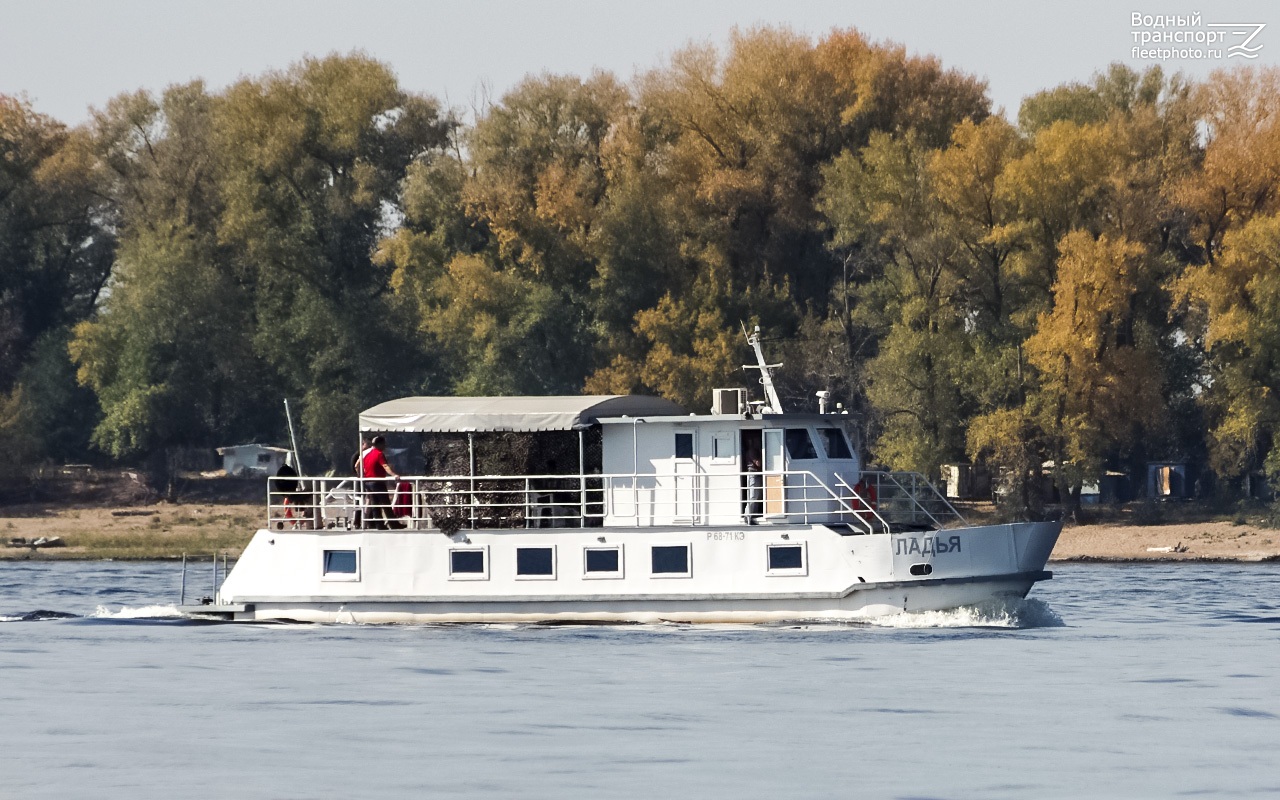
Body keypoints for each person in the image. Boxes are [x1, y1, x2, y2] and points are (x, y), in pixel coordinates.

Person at [361, 436, 399, 529]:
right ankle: (393, 524)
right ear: (379, 444)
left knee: (375, 504)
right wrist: (394, 475)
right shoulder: (379, 454)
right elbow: (385, 466)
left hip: (368, 482)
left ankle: (379, 525)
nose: (385, 446)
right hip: (377, 482)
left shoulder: (367, 454)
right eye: (384, 444)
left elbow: (358, 465)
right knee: (385, 503)